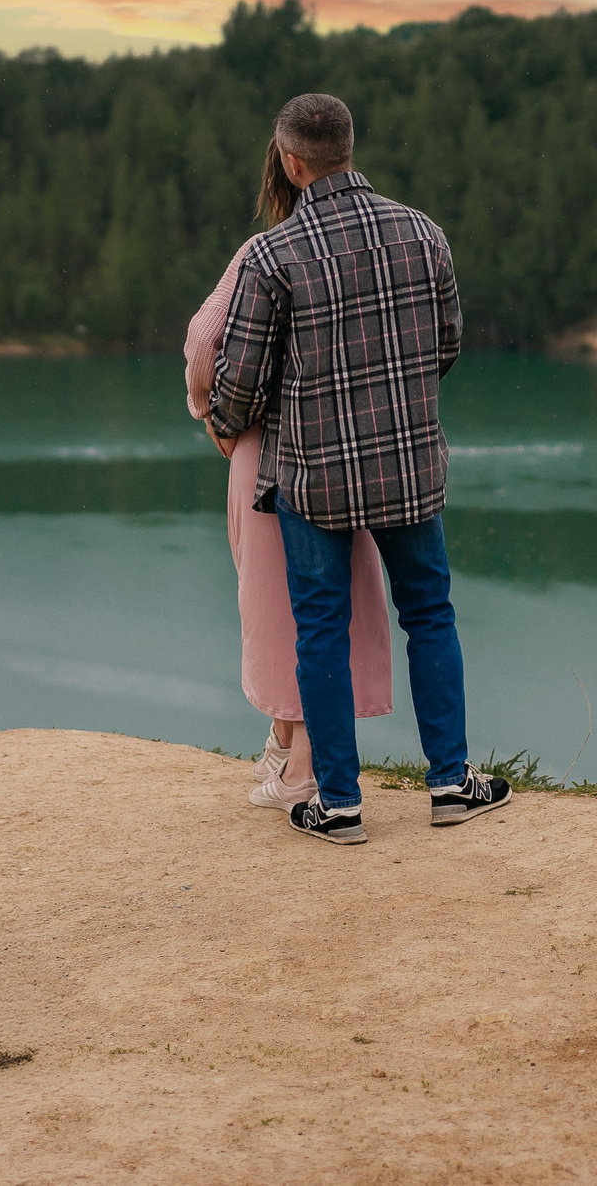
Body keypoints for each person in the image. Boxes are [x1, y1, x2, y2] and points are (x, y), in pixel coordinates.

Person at [204, 92, 511, 845]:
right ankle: (449, 782)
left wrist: (221, 425)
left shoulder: (275, 256)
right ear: (348, 148)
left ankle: (337, 803)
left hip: (315, 475)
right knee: (429, 614)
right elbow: (445, 348)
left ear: (290, 159)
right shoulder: (422, 234)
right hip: (408, 465)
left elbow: (239, 381)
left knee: (321, 630)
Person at [185, 139, 395, 809]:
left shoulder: (266, 252)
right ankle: (290, 746)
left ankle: (302, 768)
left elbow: (204, 340)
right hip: (352, 447)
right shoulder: (373, 248)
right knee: (333, 599)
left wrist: (211, 409)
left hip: (269, 447)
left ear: (285, 171)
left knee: (282, 602)